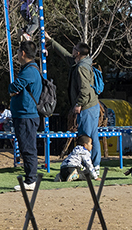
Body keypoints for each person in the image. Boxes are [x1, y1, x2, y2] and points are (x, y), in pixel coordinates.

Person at [48, 36, 102, 170]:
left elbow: (85, 89)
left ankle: (90, 166)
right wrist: (51, 40)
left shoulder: (81, 68)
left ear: (77, 53)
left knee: (86, 138)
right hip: (92, 105)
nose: (72, 49)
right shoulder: (83, 62)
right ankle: (95, 164)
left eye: (74, 48)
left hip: (87, 107)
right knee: (93, 136)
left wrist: (78, 104)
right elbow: (66, 55)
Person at [8, 40, 43, 190]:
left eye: (17, 51)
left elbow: (14, 86)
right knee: (25, 147)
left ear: (23, 53)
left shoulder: (29, 71)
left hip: (26, 115)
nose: (16, 54)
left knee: (28, 148)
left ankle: (31, 180)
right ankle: (30, 179)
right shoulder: (30, 68)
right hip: (23, 114)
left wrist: (12, 89)